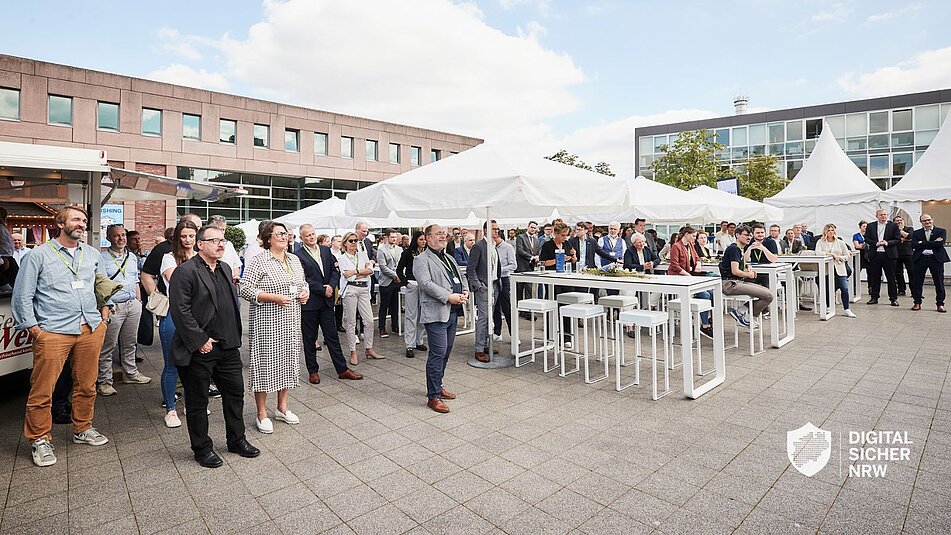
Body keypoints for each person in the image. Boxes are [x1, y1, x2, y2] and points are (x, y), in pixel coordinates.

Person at [12, 206, 111, 467]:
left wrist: (104, 317)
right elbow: (22, 295)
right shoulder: (39, 255)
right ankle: (39, 438)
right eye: (76, 219)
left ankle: (82, 428)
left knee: (87, 385)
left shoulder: (92, 254)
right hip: (53, 330)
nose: (81, 224)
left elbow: (103, 287)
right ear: (60, 223)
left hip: (90, 327)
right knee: (44, 389)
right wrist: (35, 329)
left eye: (84, 220)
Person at [168, 224, 259, 468]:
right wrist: (200, 340)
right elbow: (180, 311)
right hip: (200, 348)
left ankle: (237, 440)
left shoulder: (225, 268)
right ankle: (201, 448)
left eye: (223, 240)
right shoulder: (185, 272)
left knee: (235, 395)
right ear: (200, 244)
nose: (221, 244)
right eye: (214, 240)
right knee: (198, 402)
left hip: (227, 347)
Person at [240, 221, 308, 434]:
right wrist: (271, 297)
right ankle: (261, 412)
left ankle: (282, 407)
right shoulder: (259, 260)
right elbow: (245, 288)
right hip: (267, 321)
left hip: (291, 320)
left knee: (288, 361)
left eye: (286, 233)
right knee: (265, 364)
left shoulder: (294, 259)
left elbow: (302, 283)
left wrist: (305, 292)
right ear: (268, 238)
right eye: (279, 233)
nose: (284, 236)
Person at [296, 225, 363, 383]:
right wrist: (322, 289)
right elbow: (303, 278)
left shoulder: (326, 251)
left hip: (326, 303)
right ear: (302, 238)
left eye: (313, 234)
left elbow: (335, 271)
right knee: (309, 338)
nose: (311, 237)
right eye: (307, 236)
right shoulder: (297, 255)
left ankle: (342, 369)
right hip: (310, 303)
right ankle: (313, 370)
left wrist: (331, 286)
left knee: (332, 336)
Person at [415, 224, 468, 413]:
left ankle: (438, 385)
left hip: (452, 311)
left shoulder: (449, 257)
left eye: (444, 234)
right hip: (436, 313)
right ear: (428, 238)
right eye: (438, 234)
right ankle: (433, 397)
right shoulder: (421, 260)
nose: (443, 237)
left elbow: (460, 277)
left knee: (446, 352)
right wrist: (448, 296)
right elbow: (426, 284)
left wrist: (464, 290)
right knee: (437, 354)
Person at [96, 224, 150, 397]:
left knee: (130, 342)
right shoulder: (102, 258)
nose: (121, 239)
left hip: (132, 304)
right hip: (114, 306)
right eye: (116, 236)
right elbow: (99, 285)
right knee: (108, 345)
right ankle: (104, 381)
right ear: (109, 238)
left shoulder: (132, 258)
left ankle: (131, 373)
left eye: (123, 235)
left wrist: (138, 301)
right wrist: (106, 306)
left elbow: (135, 280)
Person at [157, 220, 199, 428]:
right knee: (171, 363)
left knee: (196, 363)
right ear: (177, 238)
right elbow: (181, 283)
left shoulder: (200, 257)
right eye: (184, 236)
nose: (188, 240)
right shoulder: (168, 258)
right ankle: (170, 409)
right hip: (174, 314)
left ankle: (192, 403)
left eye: (191, 236)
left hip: (197, 315)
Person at [339, 232, 384, 365]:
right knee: (351, 321)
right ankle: (353, 351)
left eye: (356, 241)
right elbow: (348, 276)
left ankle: (369, 348)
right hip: (350, 289)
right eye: (351, 241)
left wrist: (355, 271)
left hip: (364, 289)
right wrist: (359, 272)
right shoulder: (342, 258)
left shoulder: (362, 255)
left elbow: (370, 271)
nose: (353, 243)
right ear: (345, 243)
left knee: (369, 320)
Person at [719, 225, 773, 327]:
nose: (749, 237)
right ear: (737, 235)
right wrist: (749, 274)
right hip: (730, 284)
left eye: (750, 235)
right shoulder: (734, 249)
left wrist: (748, 267)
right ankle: (748, 317)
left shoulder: (738, 249)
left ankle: (741, 311)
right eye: (746, 235)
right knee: (768, 296)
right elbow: (735, 271)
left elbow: (740, 264)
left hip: (736, 282)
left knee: (769, 293)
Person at [667, 227, 714, 338]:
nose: (694, 238)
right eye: (693, 236)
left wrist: (698, 264)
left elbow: (697, 258)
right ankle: (705, 324)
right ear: (686, 234)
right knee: (705, 294)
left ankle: (704, 318)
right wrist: (689, 275)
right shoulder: (676, 246)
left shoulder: (690, 246)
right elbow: (674, 265)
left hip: (688, 276)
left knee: (711, 292)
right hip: (678, 277)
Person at [467, 220, 503, 362]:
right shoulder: (478, 246)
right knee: (483, 318)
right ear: (486, 230)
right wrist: (478, 285)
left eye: (497, 229)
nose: (496, 231)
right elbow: (471, 269)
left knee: (490, 317)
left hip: (494, 285)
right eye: (494, 229)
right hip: (483, 286)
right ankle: (479, 349)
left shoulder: (494, 246)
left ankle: (486, 344)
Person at [538, 221, 579, 345]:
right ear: (555, 233)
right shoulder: (547, 245)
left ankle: (567, 337)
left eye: (566, 235)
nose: (564, 238)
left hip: (565, 278)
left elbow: (573, 260)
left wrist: (573, 257)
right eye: (562, 235)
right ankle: (550, 336)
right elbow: (543, 262)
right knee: (552, 306)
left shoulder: (567, 243)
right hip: (551, 279)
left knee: (566, 306)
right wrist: (558, 259)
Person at [397, 231, 428, 358]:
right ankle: (409, 344)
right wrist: (406, 283)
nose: (423, 241)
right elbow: (399, 269)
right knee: (411, 315)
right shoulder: (408, 253)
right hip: (412, 284)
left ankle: (419, 340)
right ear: (416, 240)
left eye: (424, 239)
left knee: (423, 315)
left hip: (425, 286)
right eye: (421, 239)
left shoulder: (427, 253)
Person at [815, 224, 856, 318]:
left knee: (844, 287)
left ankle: (847, 309)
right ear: (825, 232)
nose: (830, 232)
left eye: (832, 230)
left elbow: (847, 255)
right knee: (827, 287)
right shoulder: (820, 242)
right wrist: (831, 254)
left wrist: (839, 258)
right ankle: (829, 307)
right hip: (826, 269)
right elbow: (818, 252)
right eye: (828, 230)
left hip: (839, 268)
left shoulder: (840, 242)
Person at [910, 214, 948, 313]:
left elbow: (940, 243)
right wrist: (932, 243)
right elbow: (913, 245)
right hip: (920, 259)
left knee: (939, 282)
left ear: (932, 219)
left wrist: (922, 243)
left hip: (936, 259)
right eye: (924, 221)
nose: (927, 222)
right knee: (917, 282)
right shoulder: (916, 233)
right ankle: (917, 302)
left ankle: (940, 304)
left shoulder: (941, 231)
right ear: (921, 222)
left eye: (929, 220)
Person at [863, 208, 901, 306]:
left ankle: (893, 298)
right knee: (875, 277)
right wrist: (876, 243)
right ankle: (874, 297)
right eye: (881, 215)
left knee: (891, 277)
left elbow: (897, 239)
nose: (883, 216)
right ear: (877, 216)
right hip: (875, 255)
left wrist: (887, 243)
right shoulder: (871, 226)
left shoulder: (893, 226)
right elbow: (866, 238)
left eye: (885, 214)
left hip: (889, 255)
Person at [376, 229, 402, 338]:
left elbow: (400, 264)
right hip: (387, 281)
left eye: (395, 237)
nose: (394, 239)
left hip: (397, 281)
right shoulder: (381, 250)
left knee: (396, 305)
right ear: (387, 237)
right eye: (392, 237)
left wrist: (400, 275)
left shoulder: (399, 249)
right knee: (384, 305)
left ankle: (395, 325)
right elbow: (383, 267)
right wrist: (394, 275)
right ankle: (382, 327)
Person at [493, 227, 517, 341]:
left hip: (504, 278)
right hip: (494, 279)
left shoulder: (508, 247)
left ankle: (514, 334)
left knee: (506, 307)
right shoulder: (491, 247)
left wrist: (498, 269)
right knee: (495, 306)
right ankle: (497, 332)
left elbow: (513, 265)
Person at [515, 221, 540, 306]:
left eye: (535, 228)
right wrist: (531, 257)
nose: (533, 229)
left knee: (529, 290)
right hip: (521, 268)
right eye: (532, 227)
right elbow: (519, 250)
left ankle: (528, 310)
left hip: (531, 268)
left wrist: (537, 258)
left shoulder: (536, 239)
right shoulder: (520, 237)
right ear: (528, 227)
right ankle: (519, 309)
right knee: (519, 290)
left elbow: (537, 251)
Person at [209, 215, 242, 279]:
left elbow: (236, 265)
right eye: (219, 229)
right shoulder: (206, 245)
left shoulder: (229, 245)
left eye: (223, 229)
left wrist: (235, 277)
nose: (221, 232)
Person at [893, 215, 914, 297]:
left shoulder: (909, 229)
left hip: (908, 253)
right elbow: (893, 239)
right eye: (897, 221)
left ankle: (913, 291)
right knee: (898, 273)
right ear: (894, 222)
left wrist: (901, 230)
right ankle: (901, 290)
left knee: (911, 272)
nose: (899, 222)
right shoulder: (892, 230)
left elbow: (909, 236)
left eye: (900, 220)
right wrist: (904, 239)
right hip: (897, 253)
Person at [0, 207, 17, 293]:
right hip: (4, 259)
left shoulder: (3, 227)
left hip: (7, 258)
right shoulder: (2, 228)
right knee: (9, 289)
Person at [330, 235, 345, 331]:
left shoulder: (343, 254)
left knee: (340, 304)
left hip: (342, 280)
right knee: (332, 304)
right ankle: (332, 325)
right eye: (338, 241)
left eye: (341, 241)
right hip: (332, 281)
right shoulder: (328, 253)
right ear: (332, 242)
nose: (340, 243)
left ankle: (339, 324)